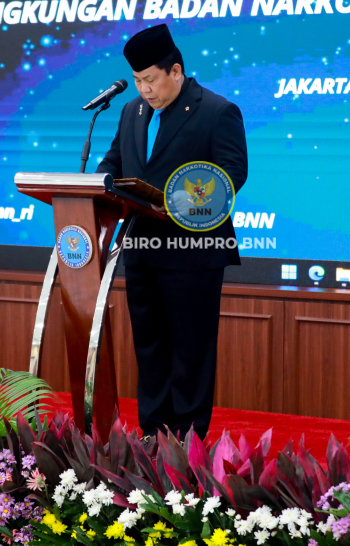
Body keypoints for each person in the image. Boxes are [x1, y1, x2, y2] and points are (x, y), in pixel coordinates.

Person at [97, 24, 248, 439]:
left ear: (176, 71)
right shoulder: (132, 111)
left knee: (190, 350)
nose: (144, 89)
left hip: (192, 251)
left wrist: (179, 201)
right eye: (137, 81)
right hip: (141, 248)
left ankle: (187, 440)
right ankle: (153, 434)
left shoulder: (216, 111)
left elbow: (233, 173)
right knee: (149, 346)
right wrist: (98, 184)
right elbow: (114, 162)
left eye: (150, 79)